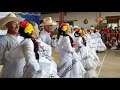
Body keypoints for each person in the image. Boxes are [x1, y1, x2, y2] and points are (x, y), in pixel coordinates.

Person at [0, 12, 25, 78]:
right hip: (10, 73)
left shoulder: (22, 39)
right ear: (8, 25)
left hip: (22, 73)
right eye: (14, 23)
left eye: (18, 24)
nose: (17, 26)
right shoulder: (4, 41)